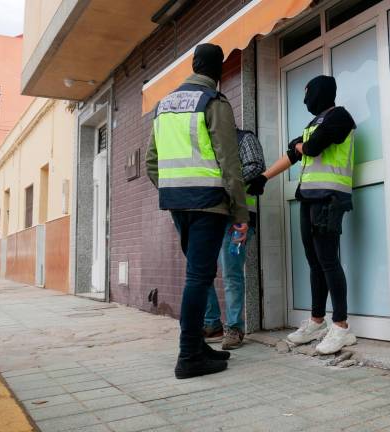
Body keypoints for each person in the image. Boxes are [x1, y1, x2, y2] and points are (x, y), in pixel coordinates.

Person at [146, 43, 249, 379]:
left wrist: (174, 189)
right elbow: (229, 161)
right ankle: (189, 355)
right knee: (198, 277)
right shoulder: (213, 102)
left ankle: (198, 346)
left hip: (178, 203)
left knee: (198, 274)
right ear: (218, 72)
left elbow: (151, 162)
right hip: (208, 203)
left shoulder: (164, 105)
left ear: (193, 65)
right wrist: (240, 212)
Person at [248, 75, 356, 355]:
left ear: (320, 93)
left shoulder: (340, 117)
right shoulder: (313, 123)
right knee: (315, 262)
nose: (306, 100)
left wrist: (300, 146)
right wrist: (263, 177)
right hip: (309, 198)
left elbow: (311, 148)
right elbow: (293, 154)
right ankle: (317, 322)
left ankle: (342, 327)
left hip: (330, 198)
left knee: (329, 261)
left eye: (308, 94)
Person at [203, 130, 262, 350]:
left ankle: (235, 328)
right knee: (202, 272)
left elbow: (255, 166)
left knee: (231, 274)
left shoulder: (243, 138)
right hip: (210, 217)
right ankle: (211, 324)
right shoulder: (205, 142)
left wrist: (224, 182)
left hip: (237, 220)